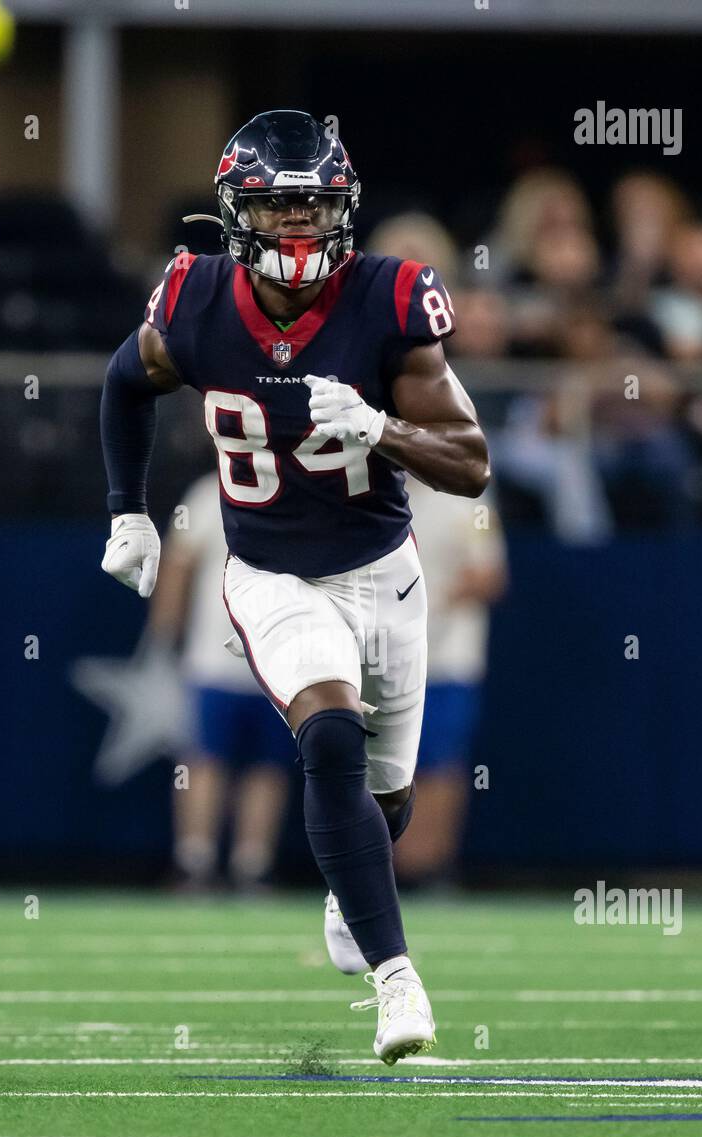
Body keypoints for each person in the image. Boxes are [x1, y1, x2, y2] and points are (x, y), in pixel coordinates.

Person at [97, 110, 490, 1064]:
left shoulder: (388, 297)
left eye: (315, 207)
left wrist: (381, 429)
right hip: (270, 574)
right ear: (238, 215)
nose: (300, 229)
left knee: (382, 800)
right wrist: (129, 510)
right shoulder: (193, 299)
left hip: (385, 575)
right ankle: (400, 985)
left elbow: (472, 465)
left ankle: (350, 884)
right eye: (278, 211)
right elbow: (124, 381)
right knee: (328, 735)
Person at [146, 469, 292, 889]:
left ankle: (252, 863)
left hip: (279, 662)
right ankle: (196, 858)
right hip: (213, 659)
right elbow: (178, 563)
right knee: (205, 759)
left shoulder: (301, 490)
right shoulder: (208, 491)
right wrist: (164, 634)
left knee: (268, 765)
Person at [392, 476, 507, 886]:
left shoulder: (468, 497)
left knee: (440, 765)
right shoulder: (368, 488)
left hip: (447, 659)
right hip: (381, 660)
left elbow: (489, 574)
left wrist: (428, 608)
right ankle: (379, 872)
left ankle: (428, 866)